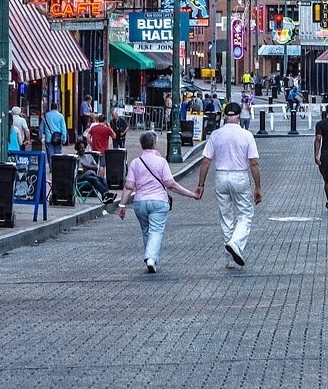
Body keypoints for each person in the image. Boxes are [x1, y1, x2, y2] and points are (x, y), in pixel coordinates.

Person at [117, 131, 198, 272]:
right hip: (159, 201)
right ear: (154, 144)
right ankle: (150, 258)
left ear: (142, 145)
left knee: (146, 231)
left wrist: (122, 204)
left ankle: (152, 259)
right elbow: (170, 184)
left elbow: (129, 186)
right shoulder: (161, 162)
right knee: (156, 231)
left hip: (140, 202)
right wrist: (191, 194)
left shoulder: (136, 162)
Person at [195, 102, 262, 267]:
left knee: (226, 217)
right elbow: (253, 163)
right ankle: (236, 243)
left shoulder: (216, 135)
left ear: (225, 116)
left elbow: (205, 161)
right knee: (245, 214)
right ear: (239, 116)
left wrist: (201, 184)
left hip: (221, 176)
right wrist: (258, 187)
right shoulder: (246, 135)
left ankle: (230, 259)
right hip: (239, 176)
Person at [74, 137, 117, 205]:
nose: (82, 149)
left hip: (91, 175)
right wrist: (86, 169)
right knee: (94, 179)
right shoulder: (76, 159)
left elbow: (96, 167)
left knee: (103, 179)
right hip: (82, 177)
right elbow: (77, 170)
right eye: (80, 148)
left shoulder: (89, 156)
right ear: (77, 149)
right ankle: (106, 194)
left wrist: (87, 167)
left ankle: (106, 196)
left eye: (83, 148)